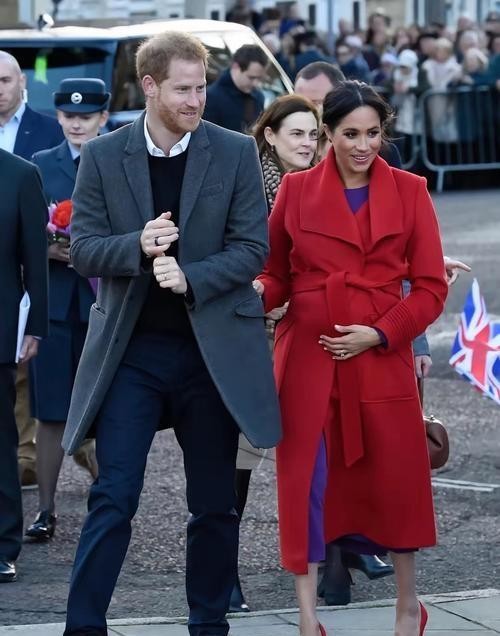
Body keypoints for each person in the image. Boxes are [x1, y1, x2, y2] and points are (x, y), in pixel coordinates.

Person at [60, 30, 281, 636]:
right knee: (114, 495)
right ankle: (83, 627)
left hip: (211, 356)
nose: (196, 100)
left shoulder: (234, 151)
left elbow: (252, 249)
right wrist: (137, 245)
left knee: (214, 503)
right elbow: (83, 248)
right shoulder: (104, 155)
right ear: (150, 87)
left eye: (201, 87)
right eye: (183, 89)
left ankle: (209, 624)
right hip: (132, 353)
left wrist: (191, 277)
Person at [255, 81, 449, 636]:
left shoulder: (411, 190)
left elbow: (431, 288)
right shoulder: (295, 190)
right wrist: (253, 294)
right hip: (308, 357)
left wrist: (381, 334)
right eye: (350, 134)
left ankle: (408, 606)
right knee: (306, 482)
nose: (363, 145)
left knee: (396, 480)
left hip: (381, 357)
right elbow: (276, 274)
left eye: (373, 133)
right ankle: (307, 618)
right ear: (328, 135)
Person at [230, 94, 320, 613]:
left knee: (322, 451)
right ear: (269, 136)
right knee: (239, 460)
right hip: (252, 334)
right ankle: (225, 573)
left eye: (313, 135)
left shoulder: (324, 185)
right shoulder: (246, 186)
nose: (307, 144)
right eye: (297, 134)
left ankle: (338, 561)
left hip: (309, 333)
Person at [25, 79, 110, 542]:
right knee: (52, 410)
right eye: (69, 116)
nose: (77, 124)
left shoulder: (118, 157)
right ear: (57, 117)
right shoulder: (41, 163)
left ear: (103, 117)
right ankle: (45, 509)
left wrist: (95, 252)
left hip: (105, 303)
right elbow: (24, 229)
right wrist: (49, 248)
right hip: (56, 302)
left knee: (111, 409)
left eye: (86, 116)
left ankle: (111, 501)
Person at [0, 50, 64, 489]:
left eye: (4, 80)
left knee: (33, 390)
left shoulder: (46, 132)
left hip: (28, 284)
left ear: (22, 82)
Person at [0, 148, 49, 582]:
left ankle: (3, 543)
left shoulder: (19, 174)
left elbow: (35, 257)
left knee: (1, 438)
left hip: (0, 325)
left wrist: (35, 325)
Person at [203, 44, 267, 133]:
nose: (256, 84)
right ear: (236, 67)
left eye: (259, 78)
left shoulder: (258, 97)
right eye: (251, 78)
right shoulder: (210, 98)